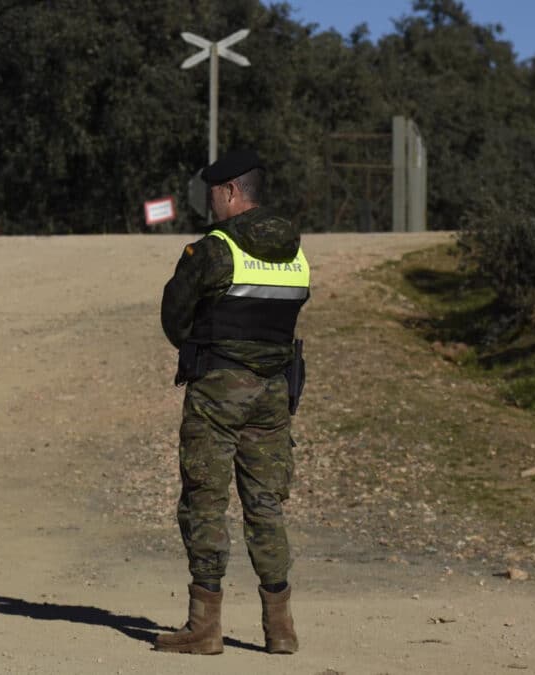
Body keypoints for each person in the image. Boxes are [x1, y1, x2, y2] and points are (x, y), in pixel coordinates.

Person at [156, 149, 309, 656]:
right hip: (273, 392)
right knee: (266, 506)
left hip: (219, 390)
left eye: (214, 195)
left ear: (230, 192)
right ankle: (280, 629)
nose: (213, 204)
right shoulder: (295, 250)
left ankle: (204, 627)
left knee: (204, 500)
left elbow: (175, 319)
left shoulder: (214, 251)